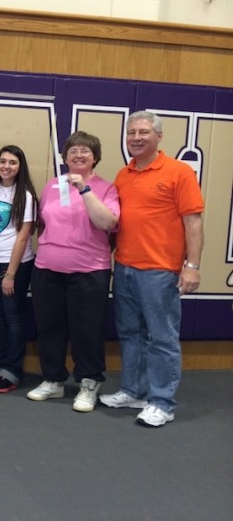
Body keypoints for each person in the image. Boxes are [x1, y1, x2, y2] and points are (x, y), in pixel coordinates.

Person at [99, 111, 204, 427]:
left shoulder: (179, 172)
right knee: (130, 334)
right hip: (126, 268)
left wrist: (192, 266)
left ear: (159, 136)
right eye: (131, 132)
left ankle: (162, 403)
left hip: (160, 271)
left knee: (162, 338)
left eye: (143, 132)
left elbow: (193, 222)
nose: (136, 137)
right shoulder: (123, 175)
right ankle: (134, 391)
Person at [27, 131, 119, 412]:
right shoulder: (52, 185)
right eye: (73, 151)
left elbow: (107, 222)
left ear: (95, 157)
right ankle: (53, 380)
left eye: (85, 151)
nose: (78, 155)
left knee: (87, 330)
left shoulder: (106, 188)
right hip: (47, 270)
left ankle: (89, 383)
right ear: (64, 157)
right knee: (49, 328)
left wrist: (85, 190)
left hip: (89, 272)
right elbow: (44, 223)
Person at [0, 145, 38, 393]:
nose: (6, 166)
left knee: (12, 317)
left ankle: (12, 370)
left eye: (12, 162)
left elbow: (24, 237)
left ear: (20, 166)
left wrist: (11, 274)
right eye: (2, 161)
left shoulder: (25, 196)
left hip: (13, 264)